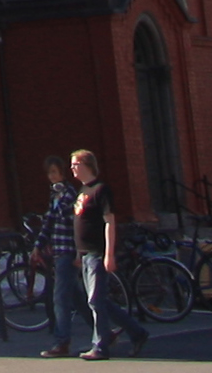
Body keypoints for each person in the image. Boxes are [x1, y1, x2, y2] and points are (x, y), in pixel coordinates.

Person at [68, 146, 147, 360]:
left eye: (76, 164)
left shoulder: (101, 190)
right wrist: (77, 253)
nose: (72, 168)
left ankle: (100, 346)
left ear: (87, 165)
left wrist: (109, 253)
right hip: (84, 253)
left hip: (96, 252)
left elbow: (109, 221)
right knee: (98, 300)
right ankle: (137, 332)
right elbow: (79, 223)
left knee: (95, 300)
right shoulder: (82, 191)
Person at [36, 157, 80, 357]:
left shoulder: (70, 193)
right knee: (80, 299)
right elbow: (49, 222)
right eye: (49, 173)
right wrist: (38, 245)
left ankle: (61, 342)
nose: (52, 177)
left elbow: (70, 219)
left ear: (63, 173)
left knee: (60, 298)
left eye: (55, 172)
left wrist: (60, 201)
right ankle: (117, 332)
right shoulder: (55, 194)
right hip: (58, 250)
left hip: (68, 250)